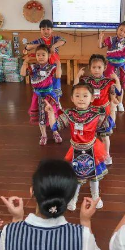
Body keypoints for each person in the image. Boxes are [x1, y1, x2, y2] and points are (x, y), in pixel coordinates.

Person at [0, 159, 102, 250]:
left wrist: (17, 218)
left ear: (32, 191)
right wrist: (85, 221)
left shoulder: (9, 231)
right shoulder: (82, 235)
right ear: (71, 196)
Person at [44, 82, 112, 210]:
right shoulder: (69, 114)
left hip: (93, 148)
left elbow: (108, 125)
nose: (81, 98)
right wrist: (50, 113)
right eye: (77, 95)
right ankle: (73, 198)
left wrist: (112, 108)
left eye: (85, 96)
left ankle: (95, 196)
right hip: (76, 149)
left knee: (94, 176)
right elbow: (55, 127)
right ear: (72, 98)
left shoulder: (97, 113)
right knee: (76, 176)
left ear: (92, 98)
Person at [74, 54, 122, 165]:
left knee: (105, 136)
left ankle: (107, 155)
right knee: (90, 136)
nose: (96, 70)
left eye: (99, 67)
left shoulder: (108, 81)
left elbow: (118, 91)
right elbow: (75, 88)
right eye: (94, 67)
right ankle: (90, 153)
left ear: (104, 68)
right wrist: (77, 76)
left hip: (104, 113)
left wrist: (117, 80)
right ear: (90, 68)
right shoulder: (86, 81)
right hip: (89, 112)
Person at [20, 44, 63, 146]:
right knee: (41, 116)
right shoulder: (33, 68)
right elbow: (22, 74)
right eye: (38, 55)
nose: (40, 57)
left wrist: (59, 65)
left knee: (52, 115)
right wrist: (25, 63)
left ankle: (55, 132)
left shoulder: (51, 67)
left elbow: (58, 75)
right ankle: (43, 135)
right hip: (38, 96)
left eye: (43, 54)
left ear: (48, 56)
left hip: (50, 95)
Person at [25, 19, 66, 101]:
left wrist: (54, 46)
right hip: (43, 67)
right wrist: (39, 45)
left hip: (54, 65)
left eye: (48, 29)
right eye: (43, 29)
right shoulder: (39, 40)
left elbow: (63, 41)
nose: (46, 31)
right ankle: (43, 101)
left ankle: (56, 102)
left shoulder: (55, 38)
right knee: (44, 84)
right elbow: (27, 46)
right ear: (40, 30)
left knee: (56, 83)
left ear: (52, 30)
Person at [99, 20, 125, 112]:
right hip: (110, 67)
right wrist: (100, 38)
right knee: (111, 86)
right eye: (121, 30)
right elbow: (100, 46)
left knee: (121, 86)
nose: (122, 33)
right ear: (117, 29)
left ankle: (120, 102)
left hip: (121, 68)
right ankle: (112, 102)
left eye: (124, 31)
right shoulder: (110, 39)